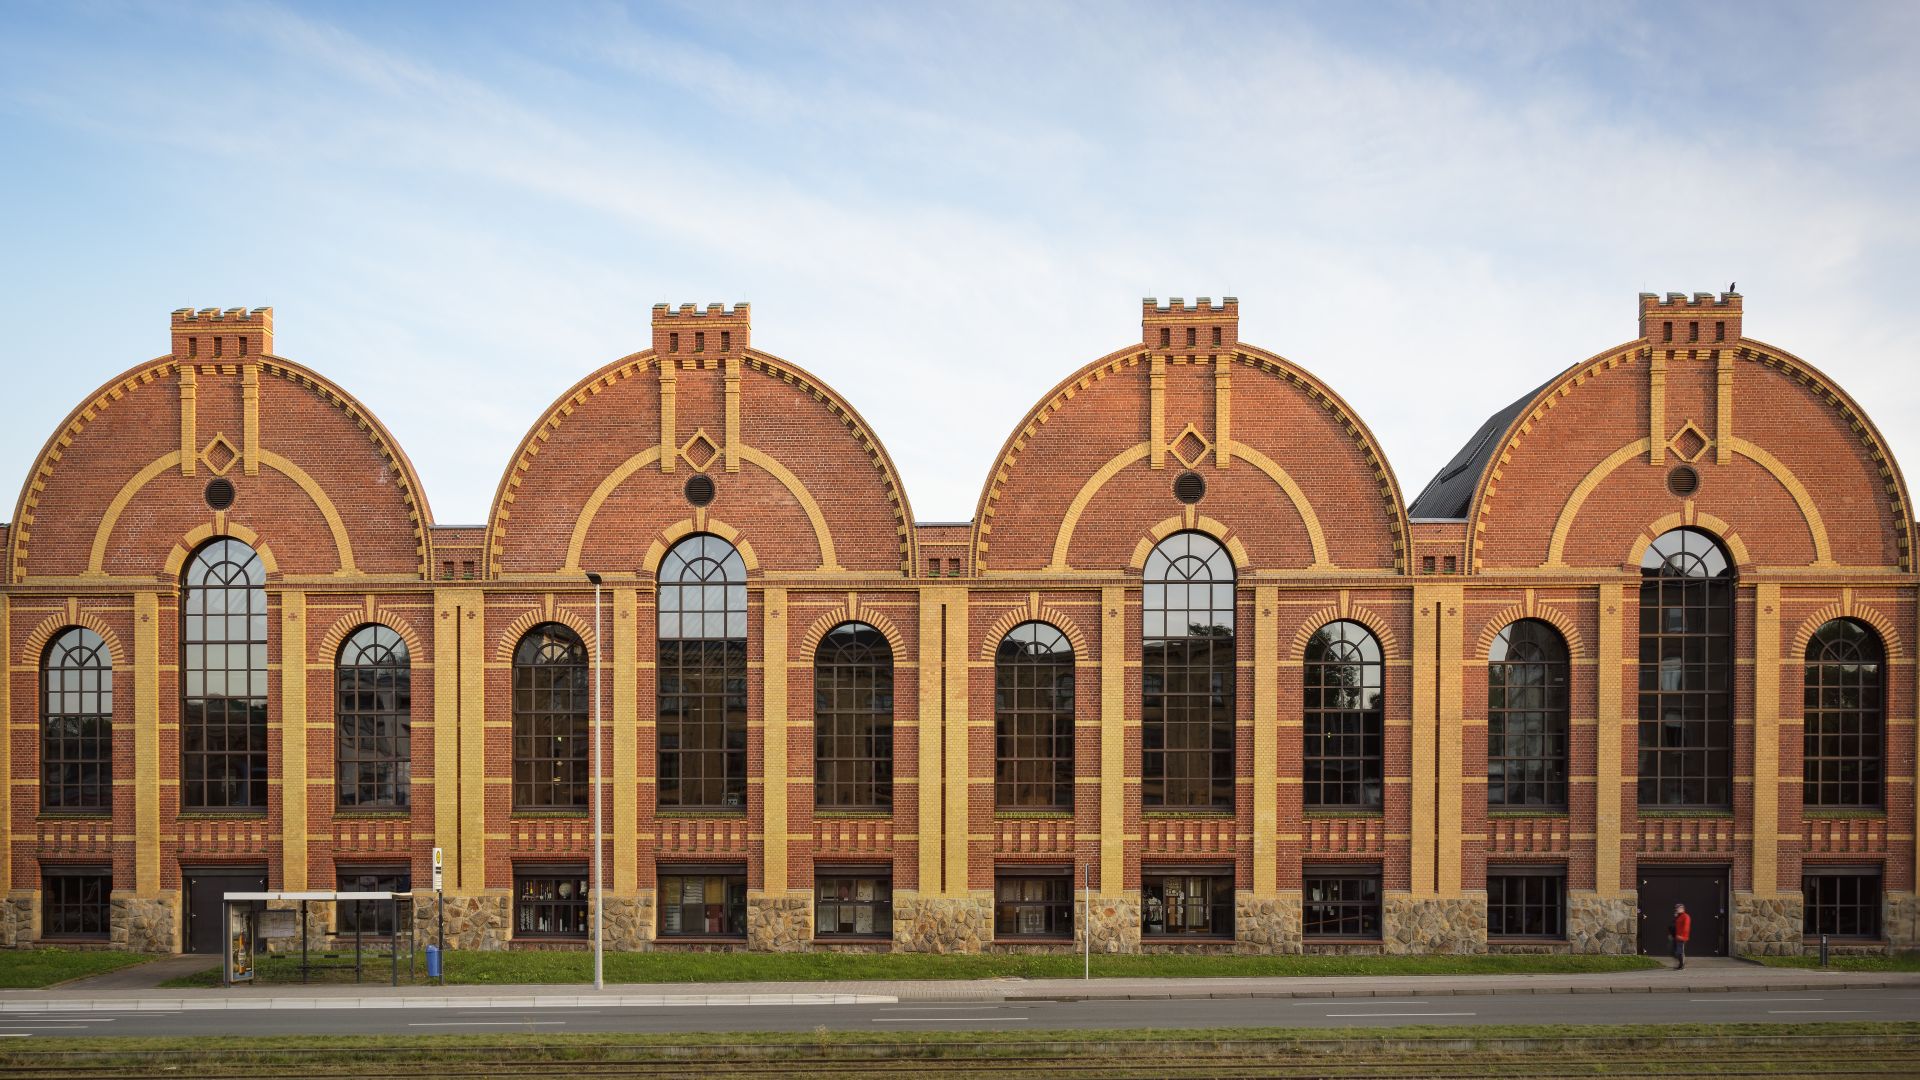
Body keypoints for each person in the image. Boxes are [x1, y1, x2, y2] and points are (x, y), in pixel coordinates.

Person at [1669, 902, 1691, 969]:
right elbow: (1673, 926)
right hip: (1676, 937)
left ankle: (1681, 965)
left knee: (1679, 952)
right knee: (1673, 952)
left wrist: (1682, 936)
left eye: (1678, 908)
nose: (1677, 909)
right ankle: (1680, 964)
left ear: (1682, 908)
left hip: (1682, 937)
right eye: (1676, 908)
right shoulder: (1678, 916)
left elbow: (1686, 927)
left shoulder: (1685, 916)